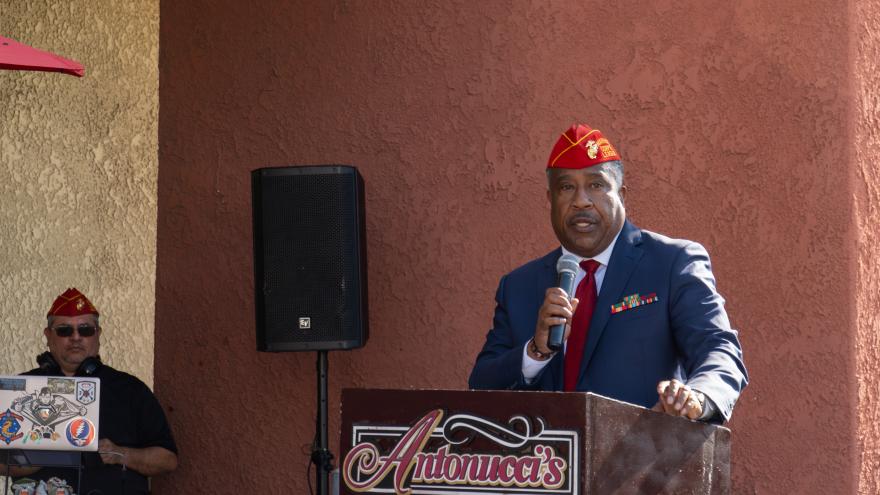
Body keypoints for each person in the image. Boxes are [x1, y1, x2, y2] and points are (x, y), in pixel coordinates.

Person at [468, 124, 748, 422]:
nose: (581, 201)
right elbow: (481, 386)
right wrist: (535, 351)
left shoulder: (671, 263)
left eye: (596, 185)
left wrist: (698, 398)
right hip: (547, 451)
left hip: (643, 449)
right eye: (566, 187)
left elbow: (719, 350)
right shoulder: (518, 286)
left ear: (621, 194)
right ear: (550, 200)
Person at [3, 288, 178, 494]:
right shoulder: (20, 389)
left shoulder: (130, 389)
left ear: (98, 334)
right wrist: (32, 460)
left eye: (85, 330)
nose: (76, 337)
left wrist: (120, 454)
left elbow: (167, 460)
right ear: (48, 335)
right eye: (64, 330)